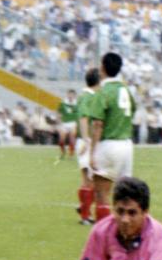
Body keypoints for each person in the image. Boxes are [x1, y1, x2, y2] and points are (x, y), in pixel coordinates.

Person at [86, 52, 135, 223]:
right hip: (127, 145)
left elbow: (98, 124)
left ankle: (104, 240)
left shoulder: (103, 91)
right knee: (125, 197)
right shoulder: (126, 90)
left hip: (109, 145)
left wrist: (91, 153)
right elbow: (131, 112)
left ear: (103, 68)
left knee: (102, 196)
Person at [74, 68, 100, 225]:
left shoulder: (87, 96)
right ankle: (85, 214)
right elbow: (84, 118)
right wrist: (85, 140)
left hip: (86, 140)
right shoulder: (88, 97)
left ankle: (84, 208)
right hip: (86, 140)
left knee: (90, 179)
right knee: (88, 179)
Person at [56, 89, 77, 161]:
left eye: (72, 95)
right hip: (64, 123)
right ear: (67, 95)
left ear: (74, 95)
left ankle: (71, 154)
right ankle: (62, 152)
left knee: (72, 139)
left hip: (73, 123)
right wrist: (58, 123)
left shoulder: (77, 104)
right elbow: (59, 113)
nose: (70, 96)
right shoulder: (63, 103)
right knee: (61, 140)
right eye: (69, 94)